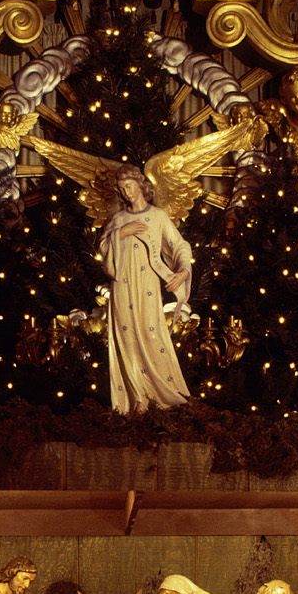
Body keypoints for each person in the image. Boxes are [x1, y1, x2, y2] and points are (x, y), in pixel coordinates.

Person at [97, 165, 192, 414]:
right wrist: (121, 233)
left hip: (147, 286)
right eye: (122, 189)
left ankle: (164, 395)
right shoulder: (118, 220)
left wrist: (183, 271)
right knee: (127, 338)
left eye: (129, 186)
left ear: (141, 185)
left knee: (152, 333)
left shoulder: (158, 217)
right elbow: (104, 250)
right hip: (122, 286)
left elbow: (179, 245)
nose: (126, 192)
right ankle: (138, 397)